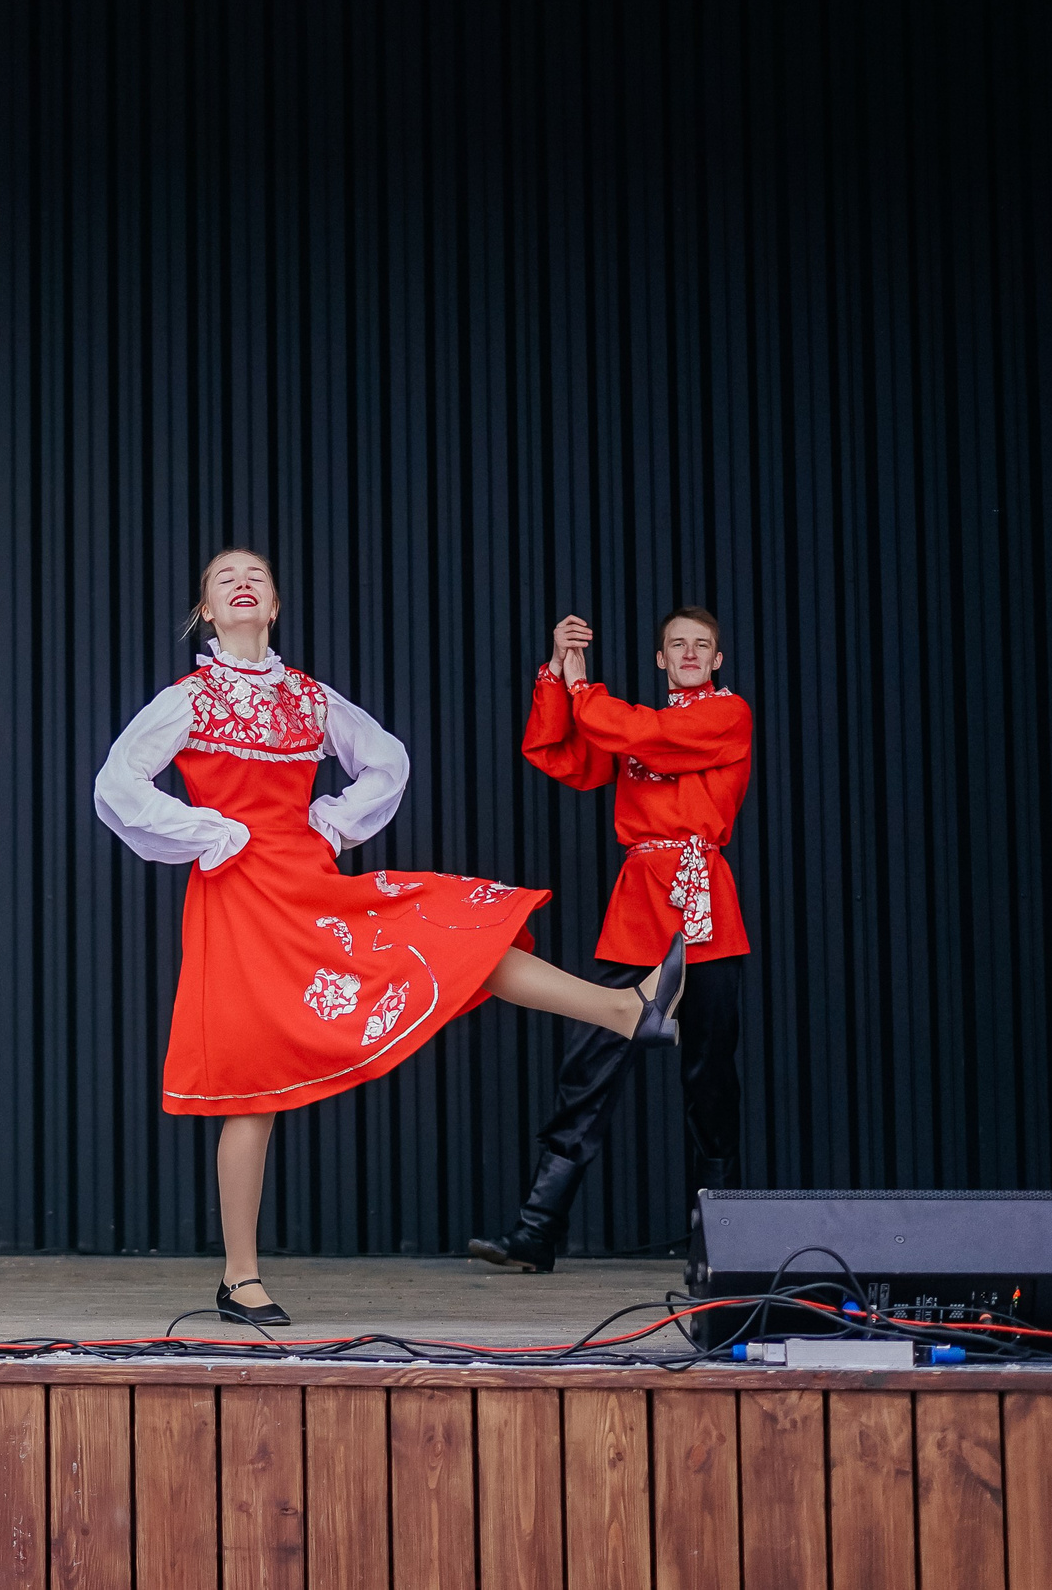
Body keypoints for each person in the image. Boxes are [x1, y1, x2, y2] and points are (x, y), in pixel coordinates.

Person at [95, 549, 686, 1327]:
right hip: (239, 895)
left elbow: (386, 761)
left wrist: (328, 821)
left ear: (274, 605)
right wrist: (208, 830)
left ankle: (624, 1009)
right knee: (254, 1085)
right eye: (223, 578)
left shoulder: (308, 698)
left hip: (309, 882)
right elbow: (117, 784)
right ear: (207, 609)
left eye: (257, 577)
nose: (242, 583)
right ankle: (240, 1277)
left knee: (451, 934)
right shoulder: (190, 699)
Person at [468, 607, 754, 1272]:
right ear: (660, 658)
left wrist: (581, 685)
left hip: (703, 907)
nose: (688, 653)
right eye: (676, 644)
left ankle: (721, 1243)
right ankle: (537, 1230)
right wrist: (558, 675)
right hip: (639, 908)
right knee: (588, 1069)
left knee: (711, 1080)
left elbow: (633, 729)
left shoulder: (725, 713)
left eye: (701, 645)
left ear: (716, 659)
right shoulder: (636, 728)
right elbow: (563, 755)